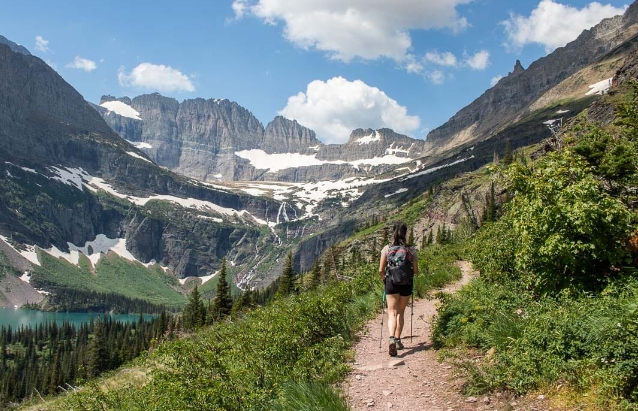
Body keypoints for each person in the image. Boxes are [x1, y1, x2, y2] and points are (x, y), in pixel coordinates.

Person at [379, 221, 418, 357]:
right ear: (405, 233)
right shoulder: (410, 249)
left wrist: (386, 280)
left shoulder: (387, 248)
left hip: (391, 282)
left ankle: (390, 338)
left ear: (393, 232)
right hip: (406, 283)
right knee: (401, 312)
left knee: (392, 312)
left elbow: (380, 270)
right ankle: (397, 340)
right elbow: (416, 271)